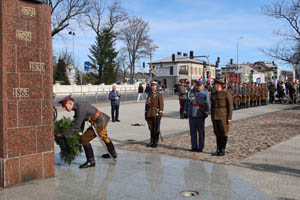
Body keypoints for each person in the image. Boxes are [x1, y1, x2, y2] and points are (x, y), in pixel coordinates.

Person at [57, 95, 117, 168]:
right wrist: (80, 132)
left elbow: (76, 125)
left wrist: (64, 135)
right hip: (101, 119)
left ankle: (91, 161)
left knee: (84, 139)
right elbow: (80, 121)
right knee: (104, 137)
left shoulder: (80, 108)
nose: (65, 109)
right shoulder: (78, 106)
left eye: (65, 107)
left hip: (99, 122)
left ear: (70, 103)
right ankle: (113, 154)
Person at [183, 80, 210, 152]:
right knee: (192, 132)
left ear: (202, 86)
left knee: (201, 132)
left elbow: (208, 103)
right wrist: (185, 112)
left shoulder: (205, 92)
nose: (198, 87)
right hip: (191, 114)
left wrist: (207, 112)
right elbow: (187, 102)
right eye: (197, 85)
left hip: (200, 114)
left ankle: (201, 147)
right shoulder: (191, 92)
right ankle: (194, 146)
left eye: (199, 85)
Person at [210, 79, 233, 156]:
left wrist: (229, 118)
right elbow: (212, 105)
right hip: (215, 116)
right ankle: (218, 149)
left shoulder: (226, 93)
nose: (213, 86)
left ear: (218, 86)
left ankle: (223, 149)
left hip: (223, 116)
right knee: (217, 133)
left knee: (223, 132)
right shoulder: (213, 94)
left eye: (214, 85)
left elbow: (230, 106)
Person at [145, 81, 164, 148]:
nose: (153, 86)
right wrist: (145, 112)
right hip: (149, 113)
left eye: (154, 85)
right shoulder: (149, 94)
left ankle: (155, 142)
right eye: (152, 85)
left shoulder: (159, 94)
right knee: (151, 128)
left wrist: (160, 112)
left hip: (156, 112)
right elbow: (147, 104)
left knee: (156, 128)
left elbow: (161, 104)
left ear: (156, 86)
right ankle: (152, 141)